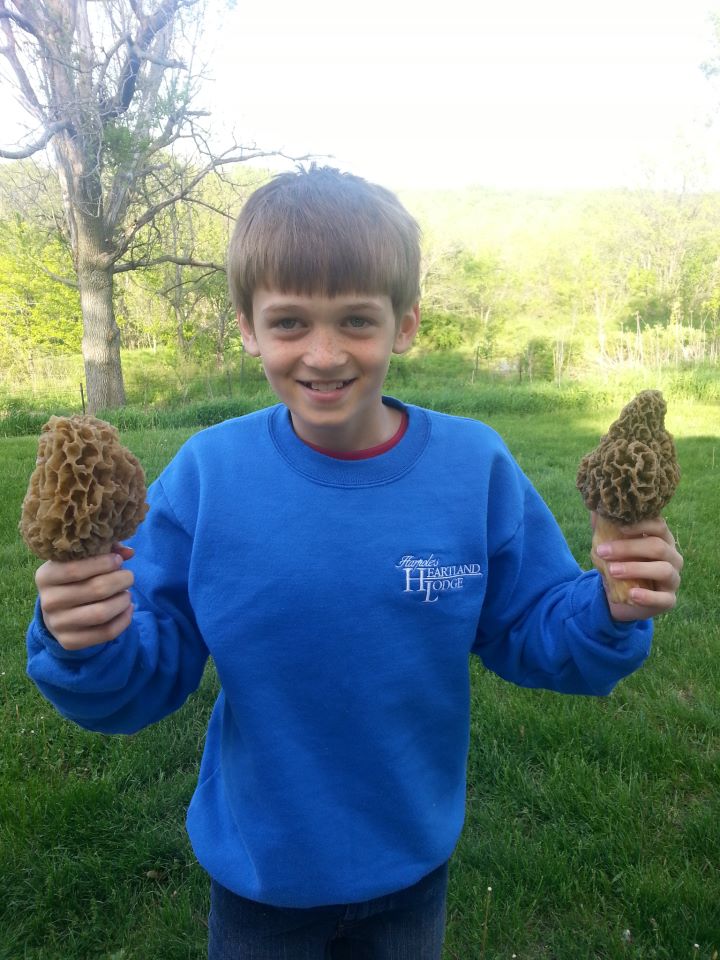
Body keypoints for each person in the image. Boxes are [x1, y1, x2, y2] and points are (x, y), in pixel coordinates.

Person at [26, 166, 683, 960]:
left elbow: (531, 630)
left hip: (410, 867)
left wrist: (610, 608)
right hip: (261, 878)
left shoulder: (473, 467)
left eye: (357, 322)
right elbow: (143, 678)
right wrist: (83, 637)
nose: (325, 353)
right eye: (291, 322)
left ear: (405, 325)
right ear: (247, 326)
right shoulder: (208, 476)